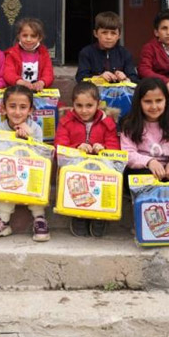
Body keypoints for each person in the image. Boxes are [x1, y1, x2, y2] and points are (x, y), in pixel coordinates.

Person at [0, 85, 50, 242]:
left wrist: (28, 138)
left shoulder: (35, 129)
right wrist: (14, 137)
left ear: (30, 110)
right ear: (3, 109)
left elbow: (40, 156)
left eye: (23, 107)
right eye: (12, 106)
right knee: (2, 180)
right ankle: (3, 220)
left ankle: (39, 217)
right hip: (10, 174)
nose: (17, 112)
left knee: (37, 181)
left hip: (29, 172)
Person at [54, 82, 121, 237]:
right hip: (76, 166)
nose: (84, 110)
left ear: (98, 104)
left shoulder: (107, 122)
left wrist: (102, 150)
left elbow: (115, 149)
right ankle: (78, 214)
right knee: (75, 178)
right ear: (73, 104)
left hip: (100, 167)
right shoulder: (66, 121)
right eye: (79, 105)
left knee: (105, 177)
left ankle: (100, 214)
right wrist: (77, 147)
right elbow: (60, 148)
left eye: (89, 105)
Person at [120, 77, 169, 181]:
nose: (154, 106)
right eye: (148, 101)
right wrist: (150, 162)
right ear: (139, 102)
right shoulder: (130, 124)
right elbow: (128, 154)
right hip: (142, 170)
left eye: (159, 101)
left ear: (166, 101)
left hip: (167, 169)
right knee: (142, 175)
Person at [75, 11, 139, 83]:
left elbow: (134, 78)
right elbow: (80, 77)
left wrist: (125, 78)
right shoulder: (87, 53)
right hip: (95, 92)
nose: (108, 37)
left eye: (113, 33)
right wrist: (99, 77)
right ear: (95, 33)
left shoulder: (125, 53)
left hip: (120, 92)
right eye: (104, 32)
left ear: (119, 35)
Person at [3, 17, 54, 91]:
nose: (28, 39)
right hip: (17, 91)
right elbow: (8, 73)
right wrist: (20, 82)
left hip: (37, 91)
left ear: (39, 38)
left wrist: (42, 82)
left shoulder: (44, 54)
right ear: (19, 36)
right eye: (25, 35)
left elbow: (48, 73)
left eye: (33, 36)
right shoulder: (12, 54)